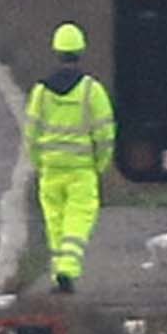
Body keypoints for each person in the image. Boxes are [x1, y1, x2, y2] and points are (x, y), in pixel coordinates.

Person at [23, 22, 116, 296]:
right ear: (80, 51)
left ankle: (58, 274)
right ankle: (67, 270)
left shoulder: (41, 91)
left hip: (51, 169)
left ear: (56, 51)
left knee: (55, 224)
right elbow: (105, 134)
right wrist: (100, 164)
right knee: (78, 222)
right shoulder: (91, 91)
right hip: (81, 170)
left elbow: (31, 132)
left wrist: (39, 163)